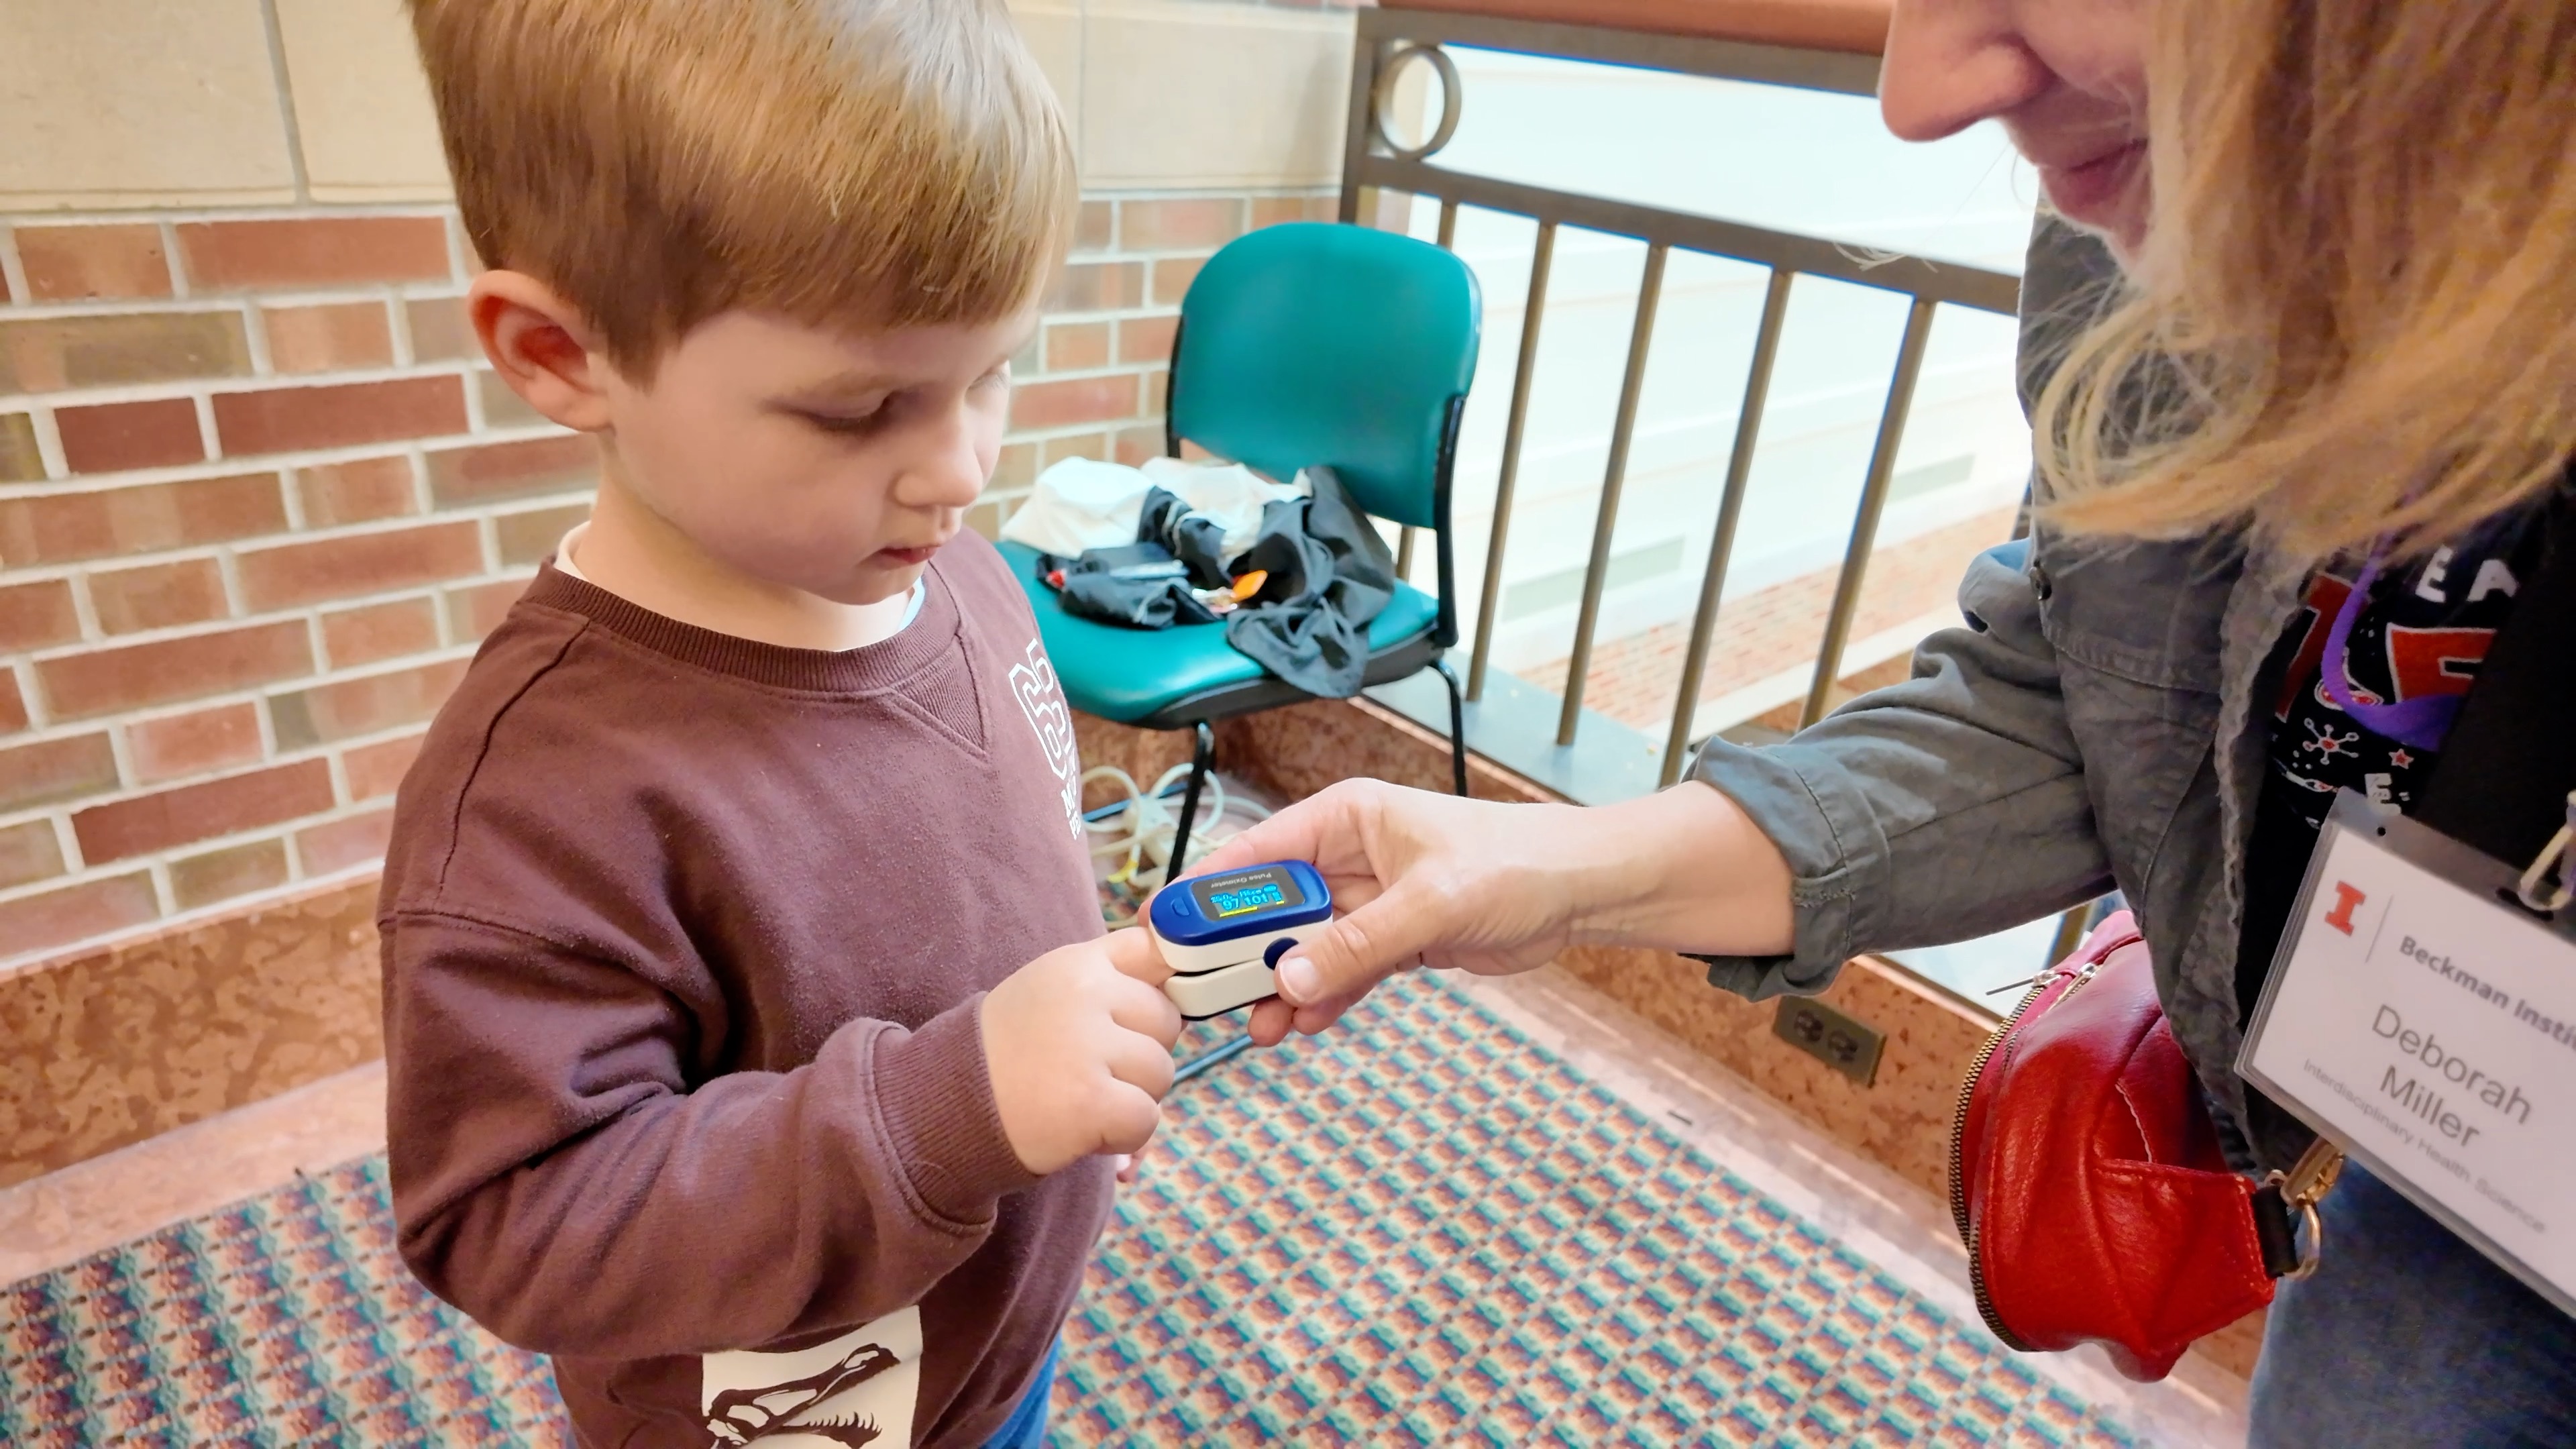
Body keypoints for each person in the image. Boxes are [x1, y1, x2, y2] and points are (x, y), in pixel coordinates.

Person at [1200, 0, 2576, 1442]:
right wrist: (1553, 869)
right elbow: (2084, 699)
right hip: (2456, 1179)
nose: (1919, 96)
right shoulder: (2136, 224)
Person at [377, 4, 1183, 1446]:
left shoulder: (974, 583)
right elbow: (516, 1221)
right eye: (860, 407)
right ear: (561, 352)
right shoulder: (539, 805)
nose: (960, 467)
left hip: (992, 1355)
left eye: (989, 372)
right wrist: (951, 1108)